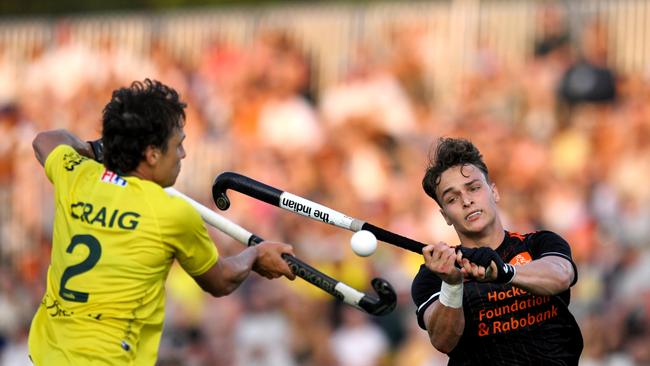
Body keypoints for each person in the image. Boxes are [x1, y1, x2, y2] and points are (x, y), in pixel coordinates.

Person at [28, 79, 296, 365]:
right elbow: (221, 280)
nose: (183, 154)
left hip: (47, 356)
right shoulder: (172, 213)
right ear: (152, 154)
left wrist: (102, 150)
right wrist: (255, 255)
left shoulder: (76, 176)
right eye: (178, 145)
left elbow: (45, 140)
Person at [410, 137, 583, 365]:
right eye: (452, 198)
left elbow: (561, 276)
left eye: (473, 188)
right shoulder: (436, 273)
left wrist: (505, 272)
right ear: (445, 216)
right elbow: (443, 341)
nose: (466, 201)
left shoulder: (539, 244)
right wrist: (452, 286)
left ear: (494, 193)